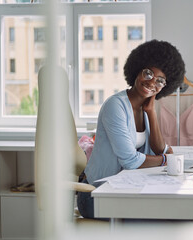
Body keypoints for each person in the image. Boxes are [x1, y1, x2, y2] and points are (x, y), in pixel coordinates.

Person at [77, 39, 186, 219]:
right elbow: (131, 160)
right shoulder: (116, 106)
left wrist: (151, 112)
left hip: (124, 189)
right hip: (96, 195)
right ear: (138, 70)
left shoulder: (144, 107)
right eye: (148, 73)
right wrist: (165, 160)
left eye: (160, 81)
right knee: (166, 220)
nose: (152, 82)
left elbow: (160, 149)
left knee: (175, 214)